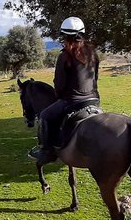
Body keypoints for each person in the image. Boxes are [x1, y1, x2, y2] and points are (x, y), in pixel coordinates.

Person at [29, 16, 100, 162]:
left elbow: (59, 84)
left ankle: (46, 151)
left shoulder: (64, 56)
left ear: (65, 36)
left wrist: (59, 95)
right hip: (94, 100)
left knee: (44, 116)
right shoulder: (93, 54)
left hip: (72, 102)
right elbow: (95, 78)